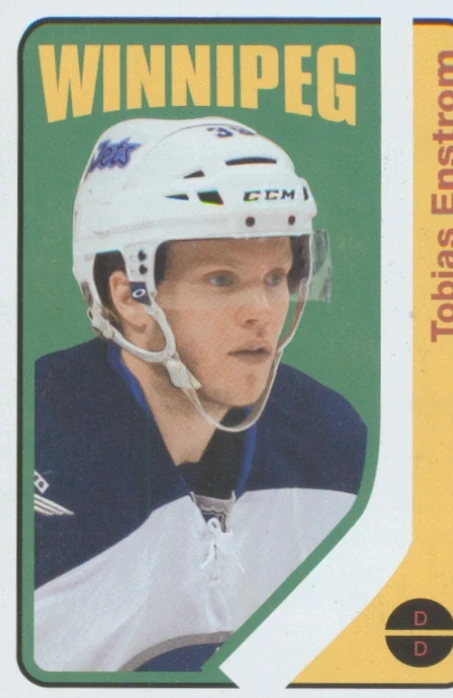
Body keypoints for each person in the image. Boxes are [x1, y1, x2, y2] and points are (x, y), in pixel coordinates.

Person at [34, 117, 367, 672]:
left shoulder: (330, 438)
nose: (262, 313)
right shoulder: (34, 438)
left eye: (276, 277)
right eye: (221, 279)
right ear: (130, 297)